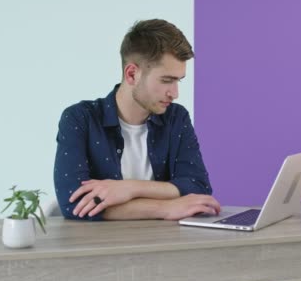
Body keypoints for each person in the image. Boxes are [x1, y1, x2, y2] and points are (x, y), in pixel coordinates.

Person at [53, 19, 221, 221]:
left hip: (165, 244)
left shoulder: (176, 118)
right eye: (166, 80)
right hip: (100, 247)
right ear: (132, 74)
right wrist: (167, 208)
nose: (175, 93)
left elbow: (197, 186)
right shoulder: (80, 119)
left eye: (178, 81)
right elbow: (73, 204)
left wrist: (128, 188)